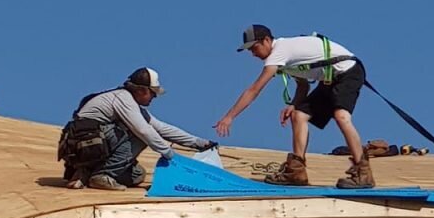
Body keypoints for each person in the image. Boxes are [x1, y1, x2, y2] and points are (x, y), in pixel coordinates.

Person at [214, 25, 371, 189]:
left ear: (267, 40)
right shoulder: (285, 60)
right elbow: (303, 86)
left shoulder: (279, 52)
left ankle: (363, 172)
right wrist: (293, 104)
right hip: (331, 79)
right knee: (299, 115)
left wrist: (229, 116)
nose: (253, 54)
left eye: (255, 48)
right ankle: (297, 171)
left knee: (341, 116)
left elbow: (254, 90)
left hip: (349, 71)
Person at [59, 67, 215, 190]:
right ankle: (103, 175)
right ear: (142, 90)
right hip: (85, 144)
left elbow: (160, 127)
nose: (154, 98)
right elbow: (144, 131)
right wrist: (170, 155)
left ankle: (84, 174)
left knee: (137, 175)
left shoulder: (130, 103)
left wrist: (198, 143)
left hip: (85, 147)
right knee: (139, 135)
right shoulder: (123, 99)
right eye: (152, 94)